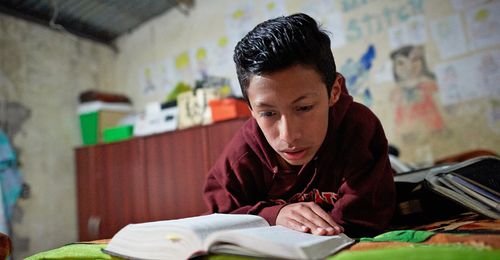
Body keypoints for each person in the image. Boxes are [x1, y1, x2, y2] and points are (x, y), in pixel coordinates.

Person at [203, 13, 395, 238]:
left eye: (304, 108)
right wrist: (275, 216)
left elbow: (365, 219)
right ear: (251, 110)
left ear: (334, 92)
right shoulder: (242, 157)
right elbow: (218, 223)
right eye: (268, 113)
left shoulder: (358, 130)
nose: (288, 136)